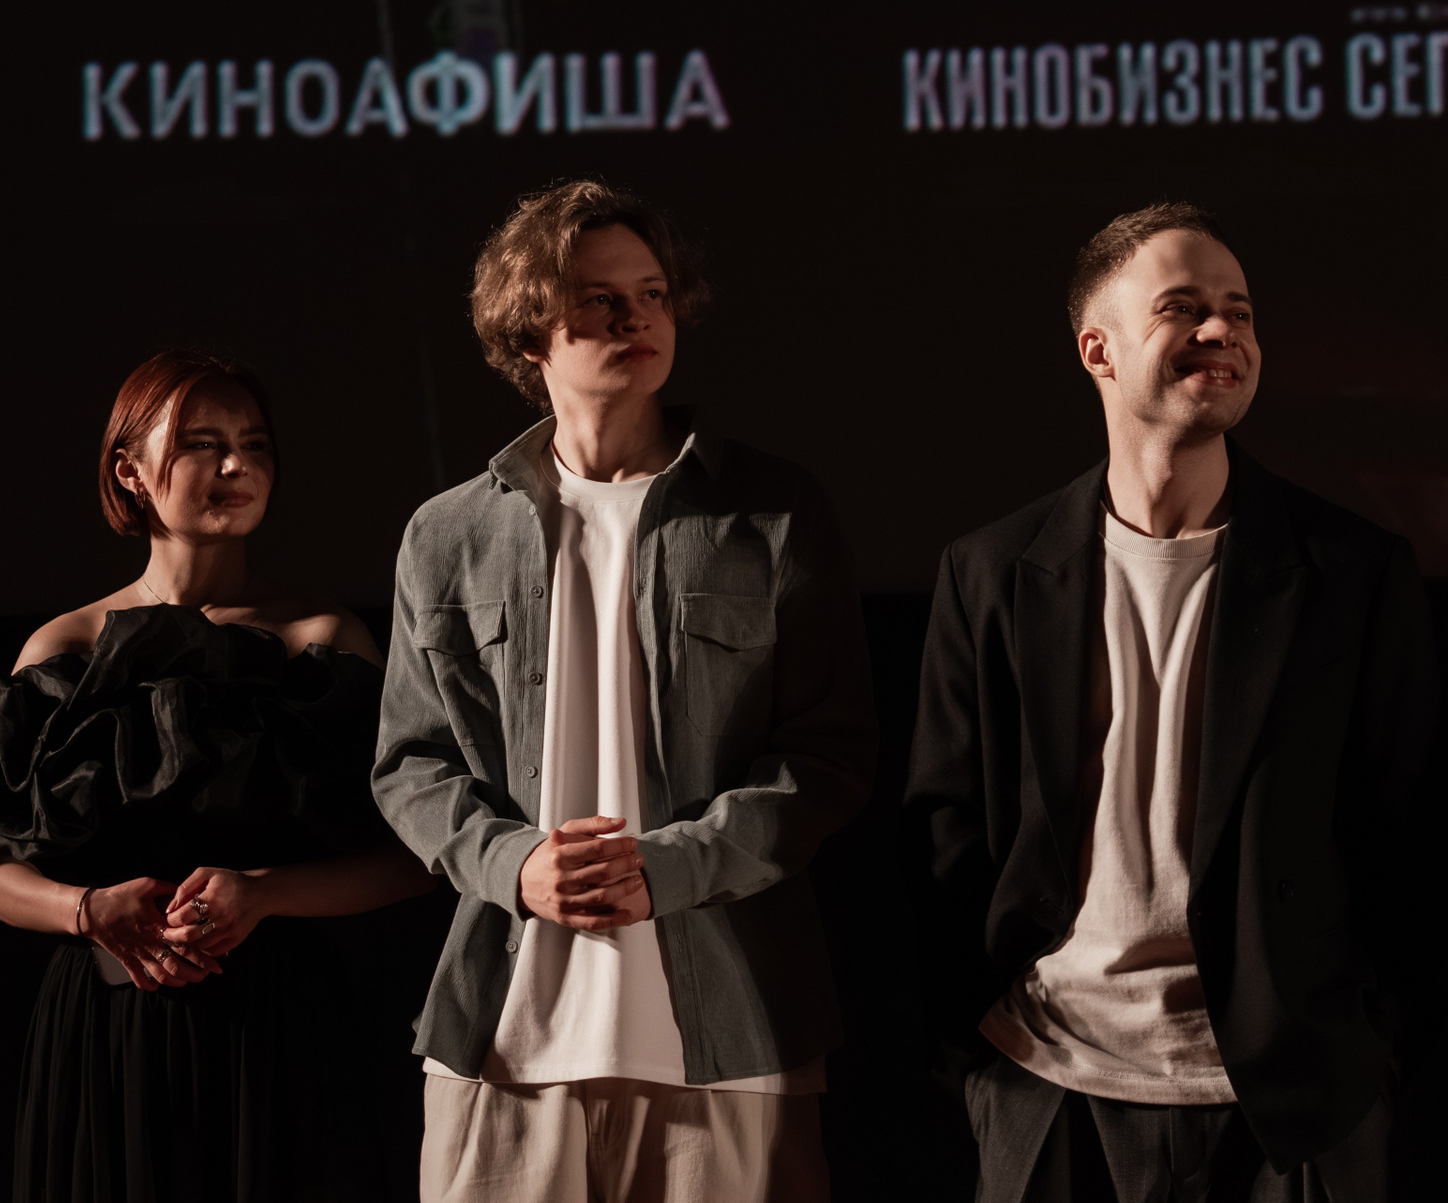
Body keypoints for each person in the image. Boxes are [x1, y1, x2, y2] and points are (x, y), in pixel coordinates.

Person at [904, 203, 1440, 1201]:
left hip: (1294, 1101)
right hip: (1046, 1079)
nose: (1222, 329)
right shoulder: (990, 572)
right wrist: (969, 1053)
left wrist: (1372, 1044)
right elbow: (948, 830)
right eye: (1182, 307)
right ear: (1097, 349)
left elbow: (1404, 832)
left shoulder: (1353, 572)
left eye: (1239, 311)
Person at [371, 180, 877, 1202]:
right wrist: (515, 864)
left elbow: (828, 756)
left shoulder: (773, 512)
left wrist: (672, 868)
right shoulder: (448, 534)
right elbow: (410, 765)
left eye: (650, 294)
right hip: (504, 1036)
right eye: (598, 299)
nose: (634, 318)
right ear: (530, 334)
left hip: (729, 1035)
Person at [0, 349, 436, 1202]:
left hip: (277, 1027)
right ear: (129, 470)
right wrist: (88, 910)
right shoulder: (66, 646)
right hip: (102, 1031)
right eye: (203, 443)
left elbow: (419, 856)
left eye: (254, 444)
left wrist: (263, 893)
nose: (237, 466)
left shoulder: (321, 639)